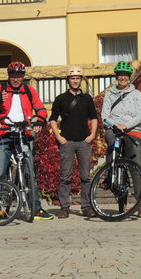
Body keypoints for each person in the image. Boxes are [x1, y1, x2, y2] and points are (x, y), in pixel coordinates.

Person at [0, 61, 53, 220]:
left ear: (23, 77)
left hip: (23, 133)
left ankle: (35, 208)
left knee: (30, 172)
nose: (15, 79)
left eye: (19, 76)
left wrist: (40, 121)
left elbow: (40, 108)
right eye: (13, 76)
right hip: (4, 133)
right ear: (8, 76)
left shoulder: (29, 91)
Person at [49, 66, 98, 219]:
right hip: (67, 142)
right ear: (68, 80)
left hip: (84, 142)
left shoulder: (87, 98)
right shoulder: (61, 98)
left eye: (78, 78)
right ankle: (64, 207)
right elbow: (53, 119)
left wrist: (92, 135)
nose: (75, 81)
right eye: (72, 78)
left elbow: (94, 117)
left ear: (81, 80)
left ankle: (86, 206)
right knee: (65, 177)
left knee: (85, 176)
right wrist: (59, 137)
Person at [101, 61, 141, 217]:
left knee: (135, 166)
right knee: (112, 143)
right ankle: (109, 177)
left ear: (129, 77)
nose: (123, 78)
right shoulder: (109, 94)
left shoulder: (136, 94)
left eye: (125, 75)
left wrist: (125, 126)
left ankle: (140, 204)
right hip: (114, 129)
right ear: (116, 77)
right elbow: (104, 116)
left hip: (133, 130)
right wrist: (115, 126)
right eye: (120, 75)